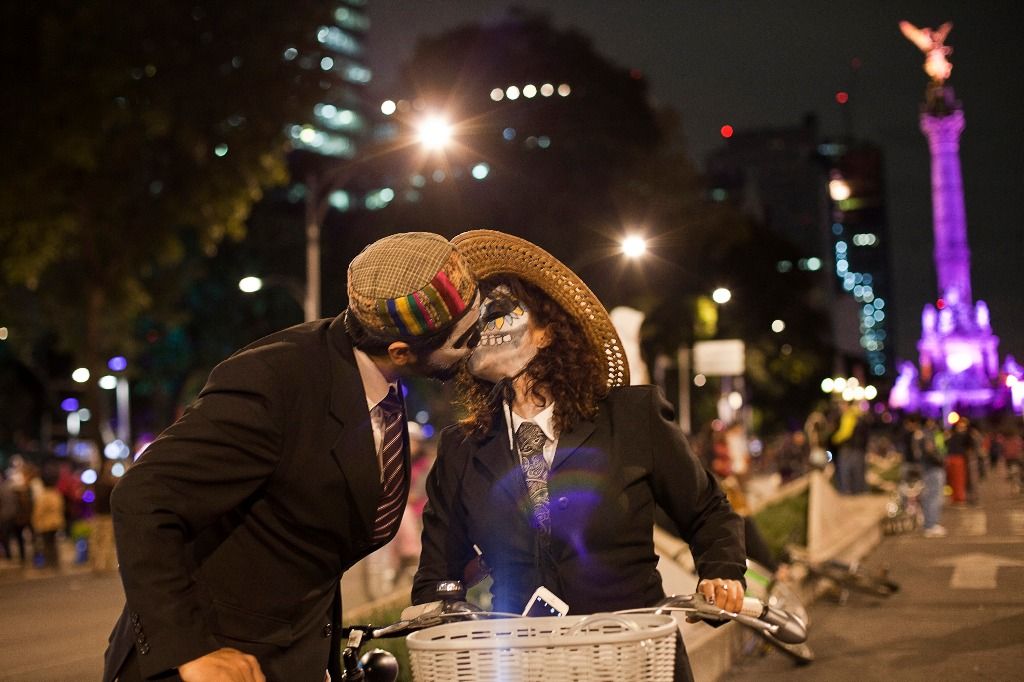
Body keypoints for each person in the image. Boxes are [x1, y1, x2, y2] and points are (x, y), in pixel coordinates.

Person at [103, 232, 481, 682]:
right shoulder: (275, 382)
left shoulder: (373, 381)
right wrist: (191, 651)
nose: (478, 344)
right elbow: (143, 497)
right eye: (466, 337)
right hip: (212, 662)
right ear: (400, 350)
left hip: (290, 655)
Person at [413, 230, 746, 682]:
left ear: (548, 332)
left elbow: (707, 510)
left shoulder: (632, 418)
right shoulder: (462, 448)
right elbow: (438, 571)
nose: (484, 326)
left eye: (501, 309)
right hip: (527, 665)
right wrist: (439, 614)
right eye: (475, 317)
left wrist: (721, 575)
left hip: (635, 655)